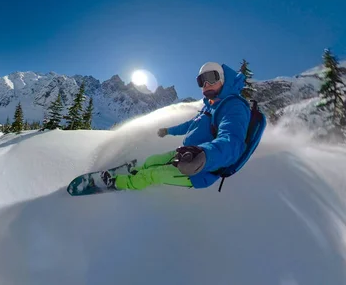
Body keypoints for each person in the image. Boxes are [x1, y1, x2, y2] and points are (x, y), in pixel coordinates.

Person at [102, 62, 252, 190]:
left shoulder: (234, 106)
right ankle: (135, 173)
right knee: (151, 161)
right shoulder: (211, 106)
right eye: (201, 81)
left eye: (211, 77)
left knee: (153, 174)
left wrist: (205, 155)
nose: (206, 84)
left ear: (223, 80)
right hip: (187, 153)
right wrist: (168, 131)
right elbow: (190, 125)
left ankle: (119, 183)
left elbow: (232, 142)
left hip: (200, 169)